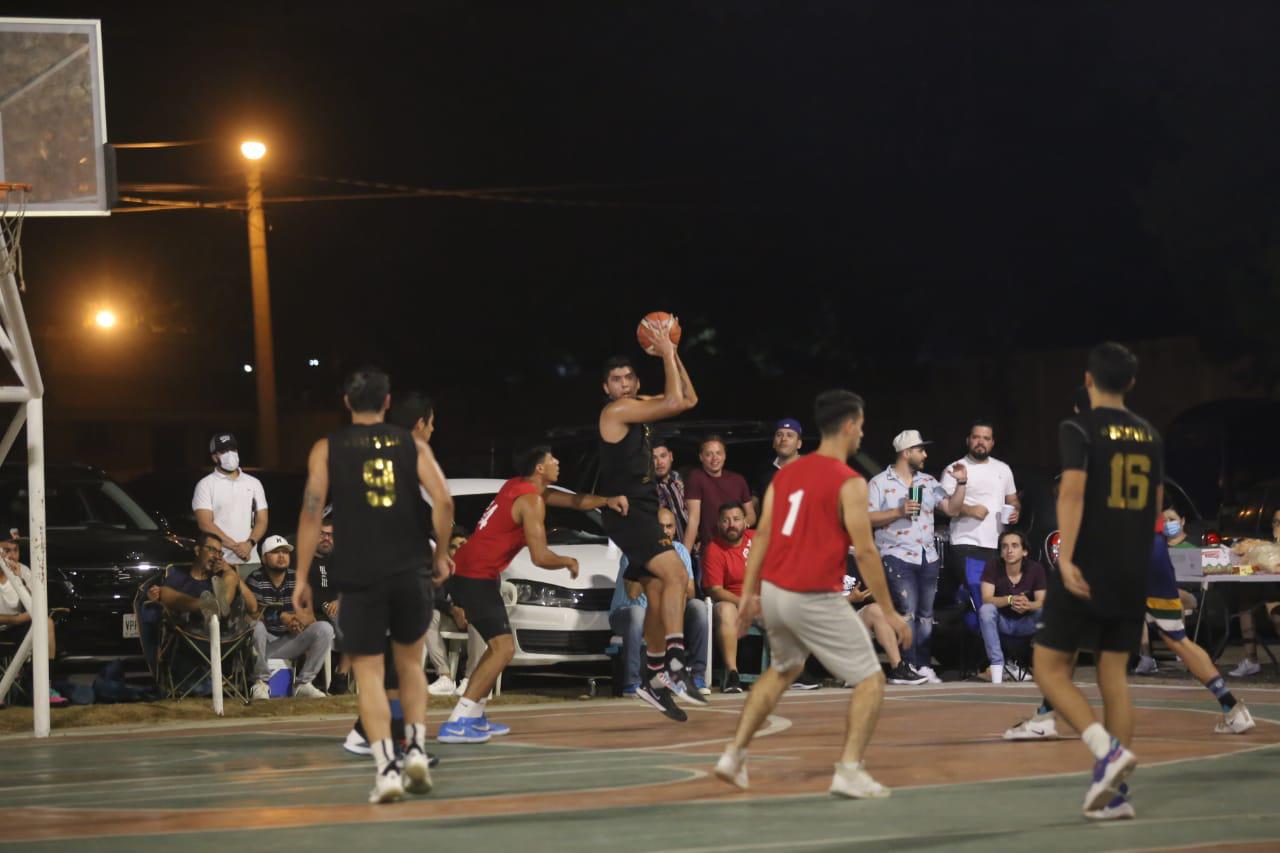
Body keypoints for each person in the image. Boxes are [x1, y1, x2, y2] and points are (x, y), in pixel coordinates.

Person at [714, 389, 911, 798]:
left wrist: (751, 594)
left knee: (784, 670)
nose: (863, 432)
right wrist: (890, 612)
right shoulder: (848, 481)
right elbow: (868, 551)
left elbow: (763, 534)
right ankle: (849, 770)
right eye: (861, 424)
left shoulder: (785, 476)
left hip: (774, 592)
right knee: (872, 680)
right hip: (812, 594)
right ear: (849, 425)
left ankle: (734, 755)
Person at [292, 367, 454, 804]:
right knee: (410, 666)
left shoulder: (326, 448)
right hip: (408, 569)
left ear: (347, 402)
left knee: (368, 674)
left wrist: (302, 575)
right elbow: (443, 500)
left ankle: (386, 769)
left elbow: (311, 512)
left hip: (359, 573)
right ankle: (417, 747)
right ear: (387, 403)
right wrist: (440, 554)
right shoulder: (412, 444)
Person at [1031, 342, 1162, 820]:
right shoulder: (1150, 435)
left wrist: (1065, 557)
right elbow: (1156, 505)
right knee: (1113, 676)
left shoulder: (1078, 426)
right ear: (1130, 382)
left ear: (1088, 380)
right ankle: (1116, 796)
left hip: (1087, 564)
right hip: (1133, 565)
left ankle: (1104, 751)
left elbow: (1073, 490)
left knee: (1049, 669)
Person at [439, 446, 625, 743]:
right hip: (474, 575)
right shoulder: (530, 501)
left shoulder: (519, 485)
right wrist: (567, 561)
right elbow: (539, 557)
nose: (558, 462)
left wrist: (606, 500)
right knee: (503, 649)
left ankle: (473, 716)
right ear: (540, 468)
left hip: (472, 571)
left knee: (497, 649)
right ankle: (457, 722)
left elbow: (575, 501)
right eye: (553, 459)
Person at [598, 326, 703, 721]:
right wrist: (664, 352)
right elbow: (675, 399)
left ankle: (652, 676)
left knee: (660, 591)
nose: (623, 385)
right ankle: (675, 667)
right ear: (606, 388)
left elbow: (689, 398)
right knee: (676, 574)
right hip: (629, 514)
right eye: (615, 380)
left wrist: (674, 355)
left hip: (640, 507)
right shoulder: (616, 411)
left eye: (628, 378)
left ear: (636, 382)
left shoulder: (637, 404)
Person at [867, 429, 969, 683]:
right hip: (897, 554)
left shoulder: (928, 481)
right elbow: (866, 517)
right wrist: (898, 511)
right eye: (920, 450)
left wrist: (961, 484)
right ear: (906, 453)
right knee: (907, 612)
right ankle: (906, 665)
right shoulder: (879, 482)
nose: (925, 454)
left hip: (927, 556)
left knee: (925, 615)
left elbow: (952, 509)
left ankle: (922, 665)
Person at [610, 507, 710, 696]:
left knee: (697, 607)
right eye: (660, 526)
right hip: (628, 613)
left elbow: (689, 591)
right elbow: (632, 592)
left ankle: (697, 676)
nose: (665, 531)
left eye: (669, 526)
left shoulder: (680, 551)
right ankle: (632, 682)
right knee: (638, 613)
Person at [245, 535, 334, 700]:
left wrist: (297, 621)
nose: (282, 556)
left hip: (288, 641)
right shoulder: (255, 578)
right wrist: (282, 618)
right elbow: (254, 614)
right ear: (264, 558)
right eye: (276, 552)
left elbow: (309, 615)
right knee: (256, 626)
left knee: (325, 628)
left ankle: (304, 683)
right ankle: (260, 683)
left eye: (285, 552)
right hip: (263, 644)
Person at [940, 421, 1019, 601]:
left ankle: (963, 607)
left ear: (992, 442)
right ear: (968, 440)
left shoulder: (1003, 469)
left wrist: (1015, 511)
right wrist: (969, 510)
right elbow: (942, 506)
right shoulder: (955, 469)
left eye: (986, 438)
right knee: (981, 593)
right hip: (966, 542)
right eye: (976, 437)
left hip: (997, 544)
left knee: (994, 596)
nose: (980, 442)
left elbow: (1013, 500)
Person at [0, 527, 68, 707]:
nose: (13, 556)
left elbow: (38, 606)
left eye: (16, 550)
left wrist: (19, 579)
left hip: (16, 627)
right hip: (12, 622)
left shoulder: (23, 570)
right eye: (7, 550)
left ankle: (44, 687)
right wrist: (16, 619)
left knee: (46, 623)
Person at [1132, 504, 1199, 674]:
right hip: (1159, 595)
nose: (1168, 523)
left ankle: (1182, 655)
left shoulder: (1193, 547)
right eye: (1165, 520)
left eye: (1172, 520)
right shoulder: (1157, 546)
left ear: (1182, 521)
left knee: (1174, 596)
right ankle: (1147, 658)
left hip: (1188, 594)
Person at [192, 433, 269, 578]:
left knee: (252, 601)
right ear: (215, 457)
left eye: (232, 449)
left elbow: (262, 520)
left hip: (251, 561)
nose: (230, 454)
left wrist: (249, 544)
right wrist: (236, 547)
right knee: (222, 601)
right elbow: (205, 523)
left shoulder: (254, 483)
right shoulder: (205, 485)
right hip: (219, 562)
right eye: (223, 451)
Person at [978, 530, 1046, 683]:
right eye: (1005, 547)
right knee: (986, 610)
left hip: (1025, 623)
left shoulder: (1036, 569)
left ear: (1025, 551)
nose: (1009, 550)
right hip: (1002, 622)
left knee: (1044, 611)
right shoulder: (993, 566)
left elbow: (1041, 601)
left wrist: (1028, 605)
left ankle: (1046, 666)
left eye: (1015, 546)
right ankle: (997, 666)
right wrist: (1010, 599)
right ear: (1001, 552)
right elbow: (987, 599)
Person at [843, 561, 927, 686]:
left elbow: (867, 593)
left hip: (851, 620)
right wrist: (849, 598)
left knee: (877, 610)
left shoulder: (856, 561)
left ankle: (897, 669)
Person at [701, 504, 755, 693]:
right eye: (726, 520)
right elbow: (715, 590)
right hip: (732, 602)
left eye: (736, 519)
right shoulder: (714, 549)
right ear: (719, 524)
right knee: (725, 610)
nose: (731, 524)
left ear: (746, 522)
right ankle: (733, 674)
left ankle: (795, 672)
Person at [1227, 507, 1280, 678]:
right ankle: (1251, 660)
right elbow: (1250, 569)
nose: (1277, 526)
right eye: (1275, 522)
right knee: (1246, 601)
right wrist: (1231, 570)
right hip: (1270, 592)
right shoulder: (1264, 550)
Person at [683, 436, 756, 554]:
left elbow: (751, 515)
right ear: (701, 457)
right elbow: (693, 519)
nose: (714, 458)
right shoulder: (696, 477)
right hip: (711, 549)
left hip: (739, 550)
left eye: (718, 453)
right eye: (709, 454)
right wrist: (684, 557)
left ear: (725, 455)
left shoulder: (738, 480)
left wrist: (738, 525)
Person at [752, 418, 804, 516]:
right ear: (774, 443)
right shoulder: (763, 470)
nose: (783, 439)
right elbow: (755, 505)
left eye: (790, 435)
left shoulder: (811, 469)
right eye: (779, 435)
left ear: (799, 444)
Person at [652, 442, 689, 545]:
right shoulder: (647, 489)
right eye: (654, 458)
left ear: (670, 456)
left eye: (663, 456)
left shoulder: (683, 480)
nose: (659, 462)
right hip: (665, 549)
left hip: (694, 548)